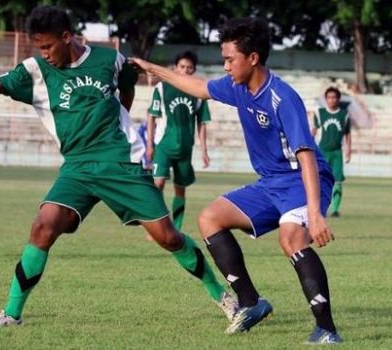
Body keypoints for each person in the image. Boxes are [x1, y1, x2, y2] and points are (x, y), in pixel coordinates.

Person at [0, 5, 237, 328]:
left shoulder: (108, 60)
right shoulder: (35, 71)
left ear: (66, 37)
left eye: (47, 46)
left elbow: (127, 86)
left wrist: (117, 122)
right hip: (77, 167)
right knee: (44, 225)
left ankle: (224, 296)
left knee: (168, 237)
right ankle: (12, 313)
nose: (44, 54)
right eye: (38, 47)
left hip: (120, 162)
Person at [131, 17, 342, 343]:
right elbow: (198, 87)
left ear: (253, 58)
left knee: (291, 239)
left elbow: (306, 156)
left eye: (230, 59)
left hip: (302, 180)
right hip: (270, 182)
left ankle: (326, 329)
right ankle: (251, 302)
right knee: (209, 218)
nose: (226, 66)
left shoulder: (282, 98)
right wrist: (152, 69)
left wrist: (314, 214)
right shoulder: (237, 87)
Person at [146, 51, 211, 231]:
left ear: (193, 70)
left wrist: (204, 151)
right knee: (158, 183)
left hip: (185, 148)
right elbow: (152, 116)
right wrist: (150, 144)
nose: (185, 70)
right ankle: (157, 226)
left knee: (180, 189)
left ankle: (176, 228)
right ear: (175, 68)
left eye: (189, 68)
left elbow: (202, 124)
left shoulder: (198, 92)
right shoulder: (162, 88)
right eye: (182, 67)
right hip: (164, 145)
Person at [310, 87, 351, 217]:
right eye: (329, 97)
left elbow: (348, 134)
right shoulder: (320, 113)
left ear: (338, 99)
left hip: (337, 152)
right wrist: (308, 147)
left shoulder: (344, 114)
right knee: (319, 180)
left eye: (334, 97)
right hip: (322, 152)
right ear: (326, 99)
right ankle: (320, 208)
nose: (332, 100)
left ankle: (335, 209)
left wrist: (349, 149)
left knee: (337, 181)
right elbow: (314, 130)